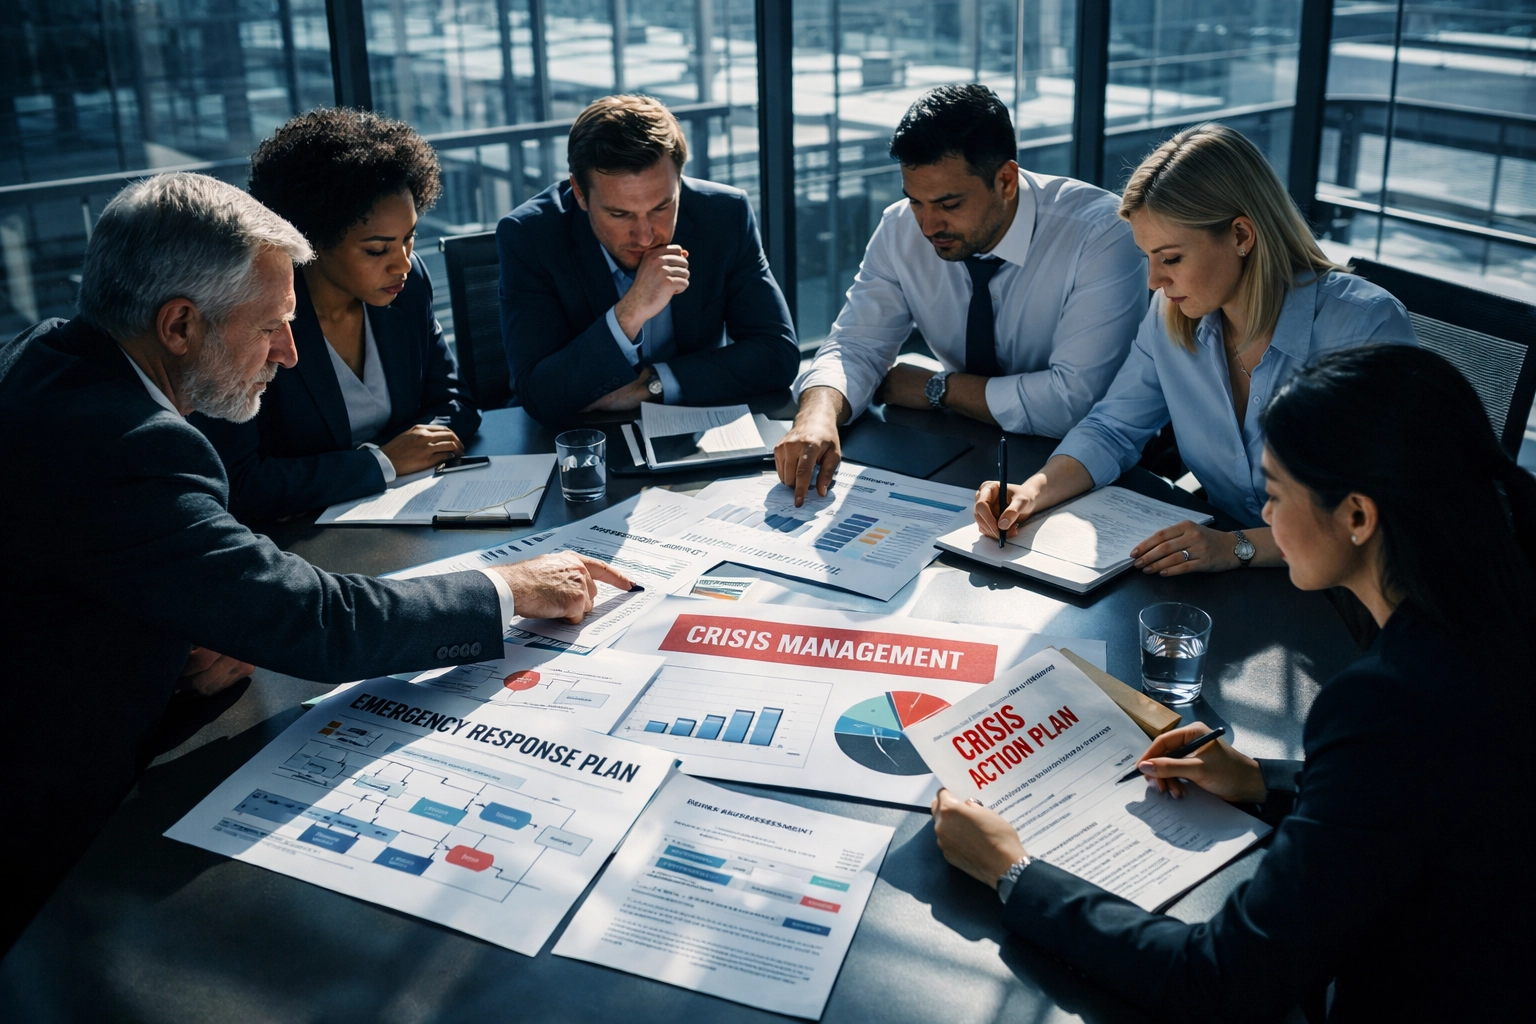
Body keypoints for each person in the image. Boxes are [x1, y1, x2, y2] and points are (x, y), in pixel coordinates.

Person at [0, 173, 632, 948]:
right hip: (47, 849)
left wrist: (183, 625)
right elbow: (316, 623)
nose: (290, 354)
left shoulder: (45, 358)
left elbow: (77, 583)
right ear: (178, 327)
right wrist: (508, 587)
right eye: (271, 327)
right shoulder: (128, 444)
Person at [932, 345, 1533, 1021]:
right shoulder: (1499, 620)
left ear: (1358, 518)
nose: (1265, 519)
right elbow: (1437, 796)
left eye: (1274, 495)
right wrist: (1262, 783)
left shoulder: (1386, 701)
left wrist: (1015, 874)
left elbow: (1223, 977)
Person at [975, 123, 1416, 575]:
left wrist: (1236, 547)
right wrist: (1033, 491)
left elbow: (1382, 510)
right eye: (1148, 257)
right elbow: (1112, 428)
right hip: (1231, 573)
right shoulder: (1172, 314)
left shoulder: (1365, 325)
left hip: (1348, 585)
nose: (1154, 282)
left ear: (1242, 235)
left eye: (1171, 258)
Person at [776, 84, 1147, 503]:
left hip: (1076, 471)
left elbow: (1074, 403)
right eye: (915, 201)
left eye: (949, 204)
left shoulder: (1101, 236)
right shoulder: (900, 228)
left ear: (1006, 180)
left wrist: (940, 389)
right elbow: (855, 344)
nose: (928, 225)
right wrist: (818, 413)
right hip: (960, 448)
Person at [191, 108, 478, 521]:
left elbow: (455, 400)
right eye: (377, 249)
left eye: (409, 237)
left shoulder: (409, 287)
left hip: (411, 513)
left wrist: (414, 448)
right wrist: (380, 462)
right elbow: (241, 483)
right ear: (313, 239)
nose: (403, 263)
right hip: (302, 541)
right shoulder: (252, 319)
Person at [498, 94, 798, 424]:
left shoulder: (725, 215)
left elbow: (776, 354)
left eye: (660, 207)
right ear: (580, 193)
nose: (645, 236)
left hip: (694, 425)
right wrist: (629, 313)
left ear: (679, 184)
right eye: (619, 213)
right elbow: (538, 393)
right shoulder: (530, 236)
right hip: (583, 438)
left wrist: (653, 384)